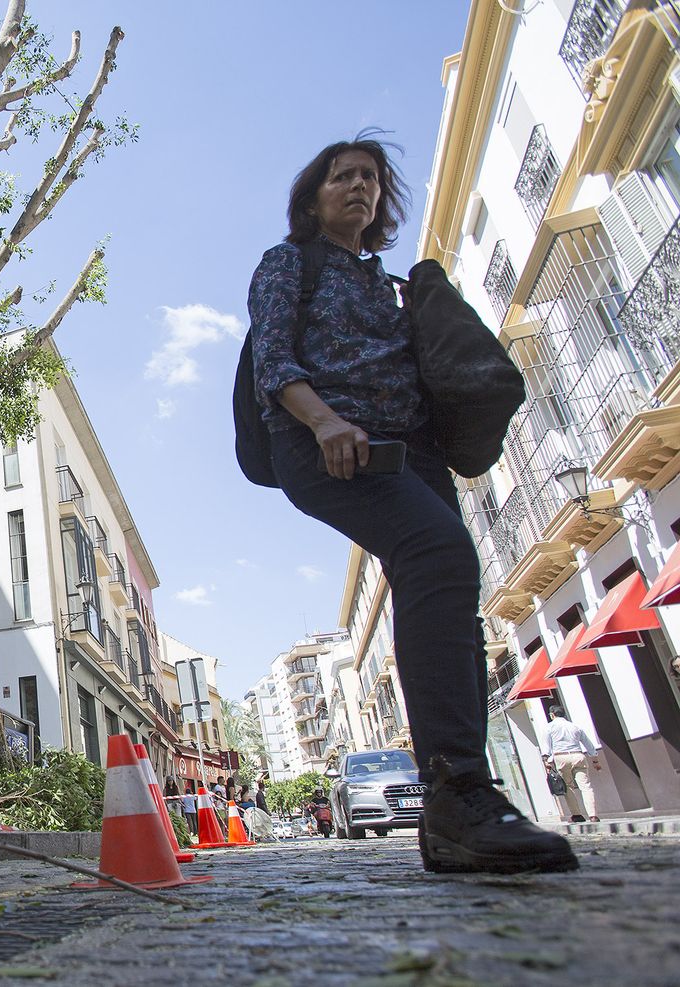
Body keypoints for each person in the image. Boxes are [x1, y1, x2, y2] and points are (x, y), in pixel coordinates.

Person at [248, 136, 576, 874]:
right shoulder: (288, 266)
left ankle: (453, 815)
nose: (360, 186)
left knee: (450, 589)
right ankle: (459, 790)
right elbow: (274, 359)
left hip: (416, 452)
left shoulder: (390, 284)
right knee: (438, 554)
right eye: (343, 176)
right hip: (329, 443)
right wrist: (325, 420)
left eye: (371, 178)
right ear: (313, 196)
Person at [543, 706, 602, 822]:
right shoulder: (575, 726)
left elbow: (546, 746)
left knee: (568, 786)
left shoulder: (549, 727)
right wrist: (595, 761)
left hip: (561, 757)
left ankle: (576, 815)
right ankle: (593, 815)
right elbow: (588, 744)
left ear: (552, 715)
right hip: (578, 755)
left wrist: (547, 761)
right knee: (586, 786)